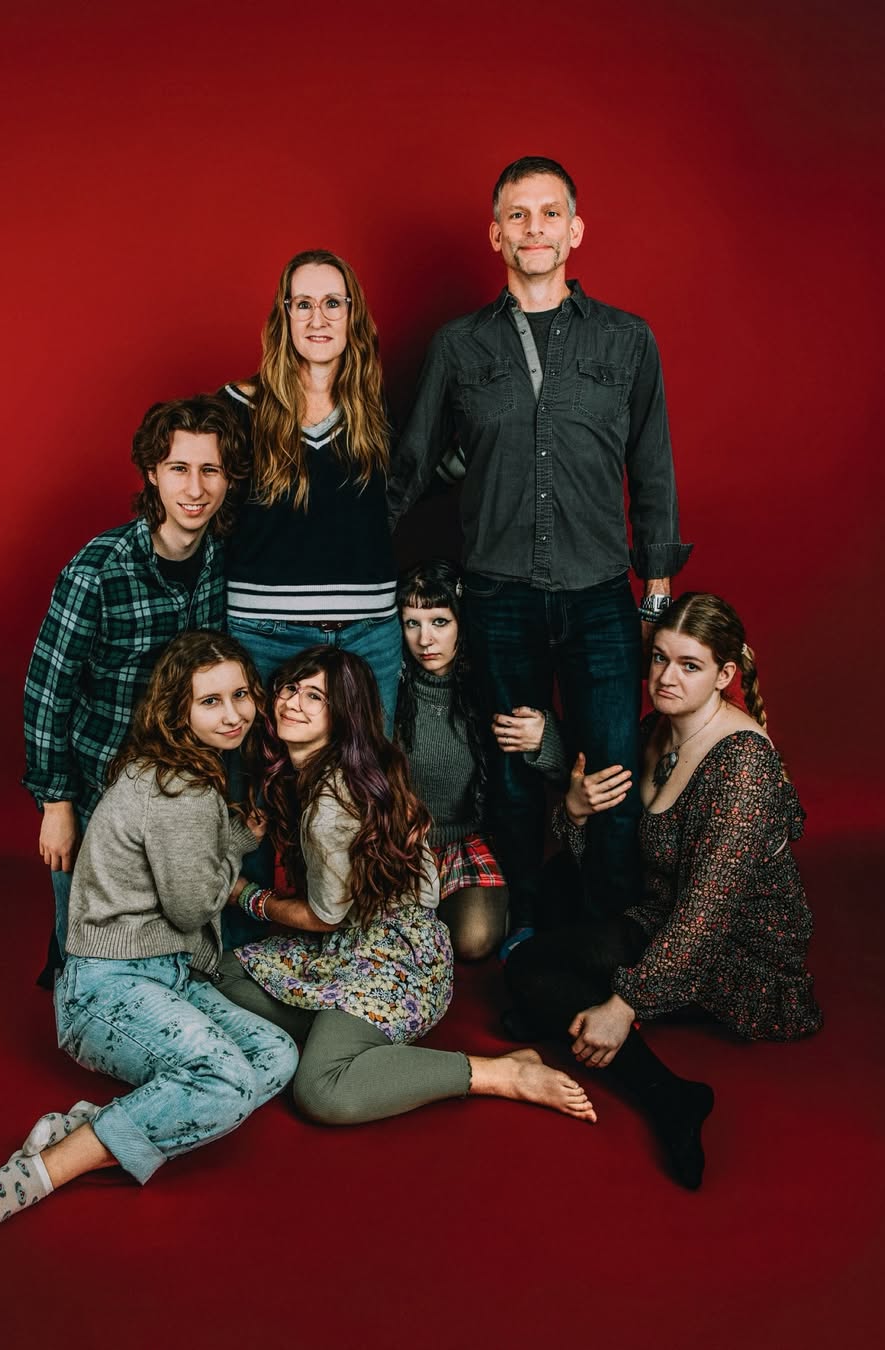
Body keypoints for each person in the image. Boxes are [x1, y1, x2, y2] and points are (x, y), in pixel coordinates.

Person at [387, 155, 693, 941]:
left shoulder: (628, 340)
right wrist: (334, 537)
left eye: (549, 213)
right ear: (496, 235)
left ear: (575, 230)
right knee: (514, 774)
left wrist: (656, 597)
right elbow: (411, 466)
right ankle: (522, 926)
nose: (534, 228)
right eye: (517, 215)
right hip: (497, 596)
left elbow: (653, 471)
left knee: (612, 768)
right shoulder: (459, 347)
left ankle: (612, 928)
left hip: (601, 595)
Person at [0, 632, 298, 1242]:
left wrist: (239, 835)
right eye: (211, 701)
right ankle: (42, 1172)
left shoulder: (179, 769)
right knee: (227, 1082)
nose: (233, 714)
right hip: (105, 990)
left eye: (241, 694)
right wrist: (236, 858)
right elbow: (194, 904)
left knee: (276, 1055)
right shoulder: (181, 789)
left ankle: (91, 1127)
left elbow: (190, 852)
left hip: (167, 975)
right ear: (178, 711)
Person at [503, 594, 823, 1188]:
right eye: (659, 659)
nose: (665, 678)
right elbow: (614, 846)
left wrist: (624, 1006)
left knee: (529, 971)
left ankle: (671, 1097)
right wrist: (575, 810)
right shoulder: (657, 729)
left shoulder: (742, 767)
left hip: (731, 947)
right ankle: (561, 1007)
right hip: (657, 909)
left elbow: (706, 915)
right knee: (550, 890)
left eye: (689, 665)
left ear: (725, 675)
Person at [218, 646, 597, 1125]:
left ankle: (499, 1072)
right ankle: (345, 1035)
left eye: (315, 696)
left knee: (321, 1090)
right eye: (290, 688)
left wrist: (246, 896)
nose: (293, 703)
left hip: (395, 962)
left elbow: (325, 916)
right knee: (222, 972)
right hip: (350, 947)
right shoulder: (354, 771)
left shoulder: (330, 805)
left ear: (343, 715)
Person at [24, 394, 247, 979]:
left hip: (187, 784)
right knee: (81, 948)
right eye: (179, 468)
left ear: (228, 479)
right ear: (152, 473)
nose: (195, 488)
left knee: (180, 935)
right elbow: (47, 690)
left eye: (210, 469)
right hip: (102, 783)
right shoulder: (98, 571)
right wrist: (56, 804)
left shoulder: (225, 561)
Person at [221, 249, 401, 730]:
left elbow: (417, 481)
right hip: (263, 634)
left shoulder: (379, 408)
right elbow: (205, 508)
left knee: (369, 777)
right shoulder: (237, 407)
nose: (317, 318)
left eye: (332, 303)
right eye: (303, 304)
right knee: (261, 776)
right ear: (284, 315)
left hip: (370, 635)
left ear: (351, 313)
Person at [395, 559, 508, 960]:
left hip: (465, 838)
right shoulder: (391, 688)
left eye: (439, 622)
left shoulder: (486, 685)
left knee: (473, 941)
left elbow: (559, 764)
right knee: (398, 945)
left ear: (462, 621)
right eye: (412, 623)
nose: (425, 639)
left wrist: (542, 736)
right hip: (402, 844)